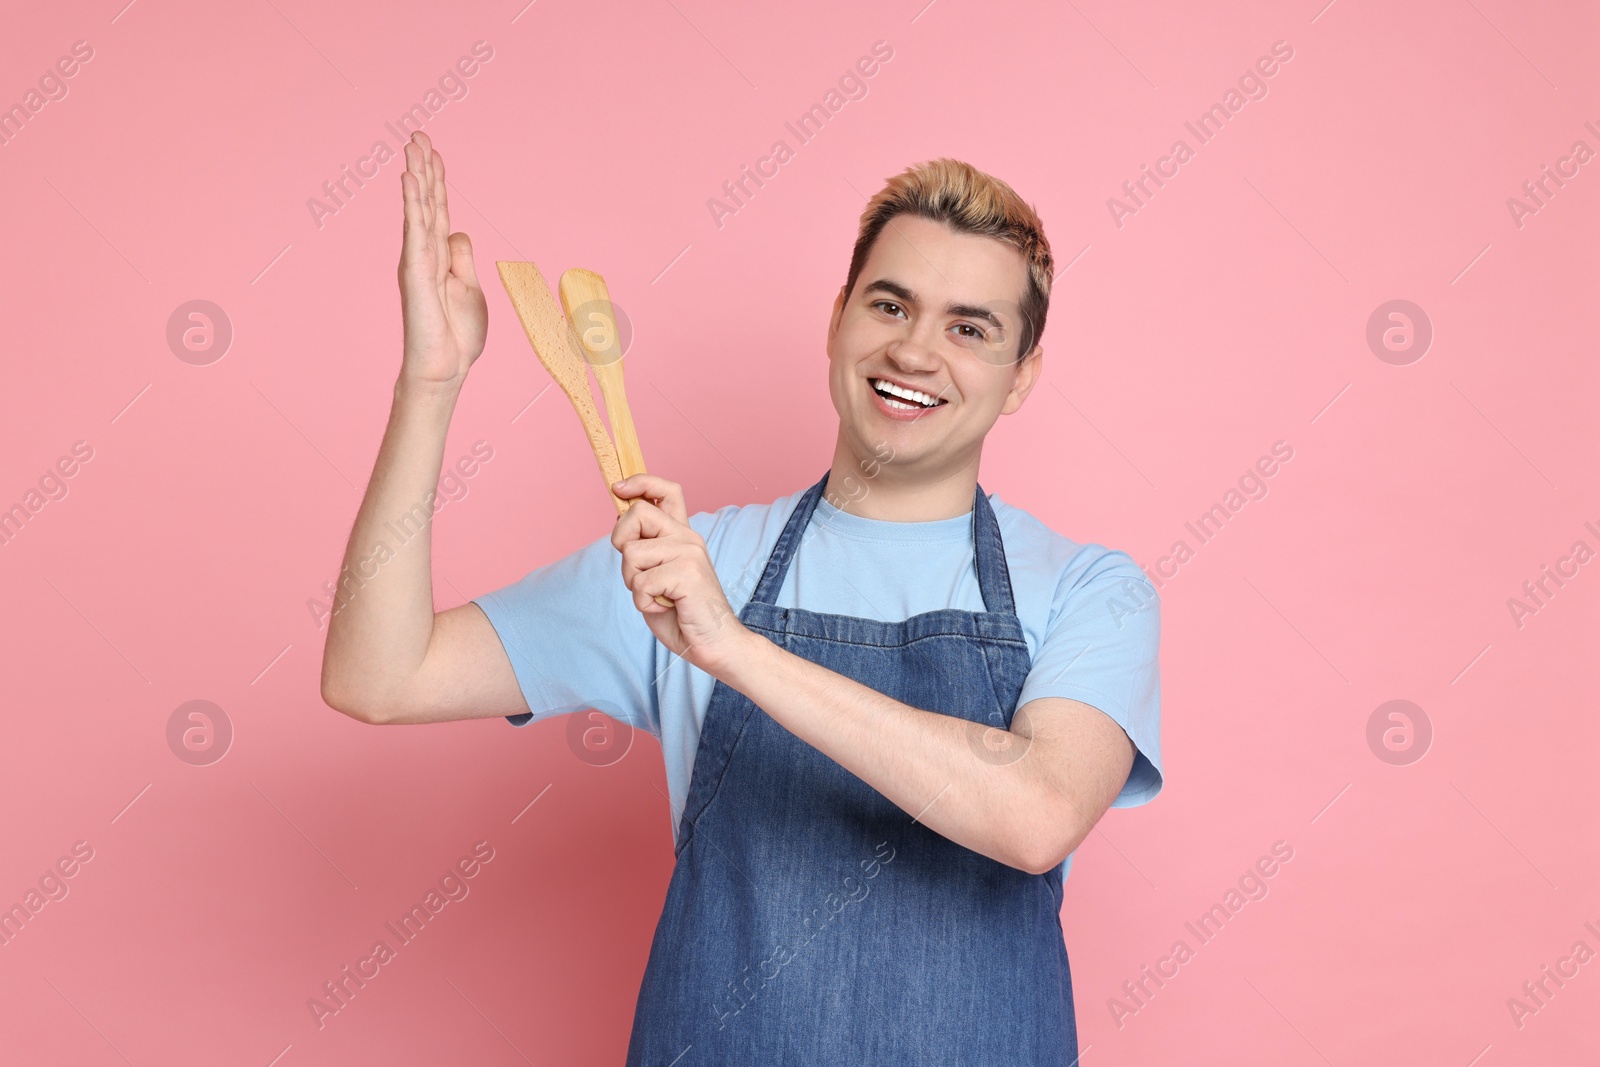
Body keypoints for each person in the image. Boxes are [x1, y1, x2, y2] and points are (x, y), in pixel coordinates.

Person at [321, 129, 1163, 1065]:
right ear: (838, 318)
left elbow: (1036, 815)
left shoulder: (1091, 589)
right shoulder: (685, 563)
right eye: (891, 304)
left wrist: (735, 647)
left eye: (971, 328)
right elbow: (378, 676)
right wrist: (429, 385)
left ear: (1021, 376)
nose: (917, 350)